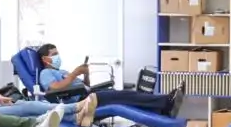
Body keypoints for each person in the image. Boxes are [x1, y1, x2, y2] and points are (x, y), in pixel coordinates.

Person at [0, 47, 97, 127]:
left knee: (29, 105)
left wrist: (0, 97)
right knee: (31, 107)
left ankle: (74, 118)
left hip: (0, 104)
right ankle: (75, 108)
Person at [34, 43, 182, 116]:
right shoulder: (45, 73)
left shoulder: (62, 71)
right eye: (54, 54)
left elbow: (83, 85)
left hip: (87, 94)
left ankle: (161, 108)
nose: (57, 56)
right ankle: (165, 101)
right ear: (45, 59)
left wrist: (85, 74)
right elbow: (54, 88)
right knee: (125, 96)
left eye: (57, 53)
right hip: (81, 102)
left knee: (125, 97)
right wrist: (75, 73)